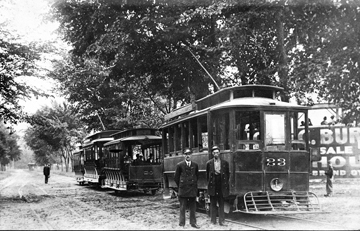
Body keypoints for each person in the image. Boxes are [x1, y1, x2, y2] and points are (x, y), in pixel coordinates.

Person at [174, 148, 200, 229]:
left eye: (189, 154)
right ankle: (182, 224)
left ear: (191, 155)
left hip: (192, 189)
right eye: (186, 154)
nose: (187, 156)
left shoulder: (195, 165)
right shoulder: (180, 165)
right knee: (182, 207)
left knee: (193, 207)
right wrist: (181, 186)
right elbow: (176, 178)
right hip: (183, 189)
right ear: (184, 155)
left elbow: (197, 176)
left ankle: (193, 223)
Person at [206, 146, 230, 226]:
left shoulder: (225, 163)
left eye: (217, 152)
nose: (216, 154)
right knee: (213, 203)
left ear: (219, 153)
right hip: (213, 184)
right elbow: (207, 175)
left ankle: (222, 221)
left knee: (221, 203)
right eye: (214, 152)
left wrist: (224, 183)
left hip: (221, 184)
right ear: (212, 154)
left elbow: (227, 174)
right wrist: (210, 184)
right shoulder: (209, 163)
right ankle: (213, 221)